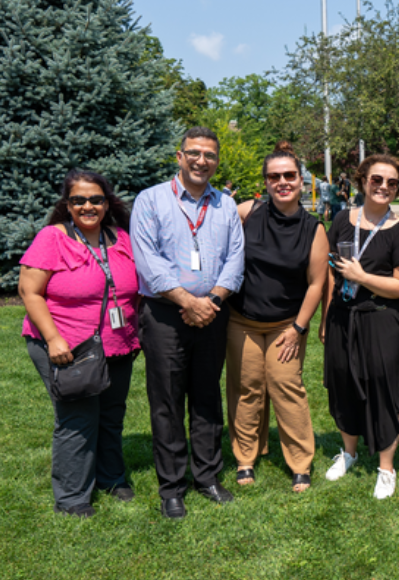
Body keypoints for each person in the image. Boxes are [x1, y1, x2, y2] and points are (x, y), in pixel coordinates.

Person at [130, 126, 245, 519]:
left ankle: (208, 476)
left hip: (213, 312)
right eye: (194, 153)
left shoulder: (225, 205)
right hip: (165, 314)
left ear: (216, 161)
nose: (202, 161)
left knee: (207, 397)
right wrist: (186, 301)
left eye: (209, 155)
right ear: (179, 156)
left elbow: (235, 259)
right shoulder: (150, 201)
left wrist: (210, 301)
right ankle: (172, 486)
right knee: (166, 401)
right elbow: (146, 260)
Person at [19, 169, 140, 518]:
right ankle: (72, 498)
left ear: (107, 202)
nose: (88, 206)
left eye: (96, 199)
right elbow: (29, 291)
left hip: (118, 344)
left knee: (112, 416)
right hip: (68, 347)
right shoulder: (51, 238)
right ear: (67, 204)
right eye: (79, 200)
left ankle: (111, 478)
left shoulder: (120, 237)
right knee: (78, 419)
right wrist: (54, 338)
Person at [225, 143, 328, 492]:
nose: (282, 182)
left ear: (301, 180)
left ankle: (301, 463)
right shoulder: (246, 212)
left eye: (289, 176)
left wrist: (298, 328)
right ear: (266, 182)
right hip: (242, 321)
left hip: (287, 324)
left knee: (287, 387)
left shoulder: (313, 229)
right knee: (245, 389)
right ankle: (245, 458)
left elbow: (316, 283)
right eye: (274, 177)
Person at [322, 154, 399, 500]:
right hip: (342, 317)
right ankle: (348, 453)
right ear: (363, 181)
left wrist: (362, 277)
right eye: (377, 180)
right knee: (343, 384)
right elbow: (329, 275)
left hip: (381, 320)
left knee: (385, 389)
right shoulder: (341, 220)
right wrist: (325, 320)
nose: (384, 187)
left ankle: (386, 467)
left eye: (392, 183)